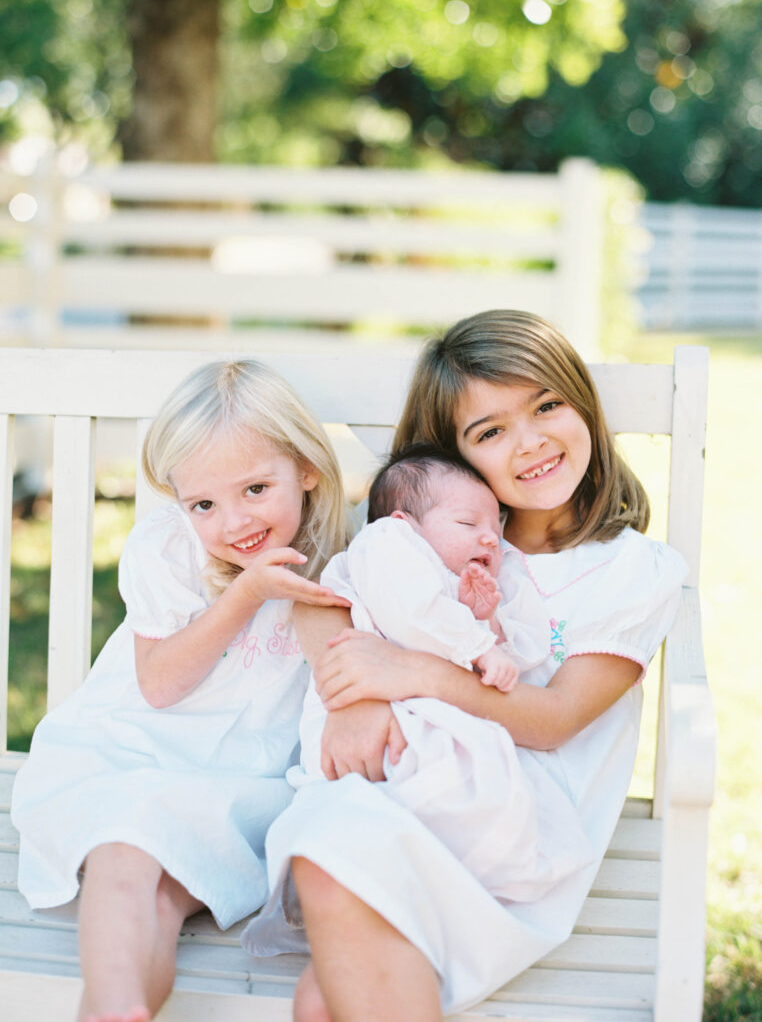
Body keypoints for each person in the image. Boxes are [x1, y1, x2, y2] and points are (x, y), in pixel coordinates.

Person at [240, 310, 689, 1022]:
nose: (532, 440)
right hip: (402, 796)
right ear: (453, 458)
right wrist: (357, 697)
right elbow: (324, 600)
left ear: (584, 405)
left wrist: (409, 674)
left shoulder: (631, 570)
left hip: (513, 846)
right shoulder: (441, 532)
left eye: (547, 405)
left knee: (328, 940)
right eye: (490, 431)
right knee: (322, 989)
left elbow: (554, 720)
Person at [10, 358, 351, 1022]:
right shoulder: (169, 549)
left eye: (255, 488)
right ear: (179, 501)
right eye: (204, 504)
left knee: (165, 890)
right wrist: (247, 594)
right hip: (132, 752)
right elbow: (160, 685)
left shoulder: (339, 552)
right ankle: (115, 1009)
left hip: (239, 784)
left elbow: (340, 678)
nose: (234, 523)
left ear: (306, 468)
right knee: (124, 847)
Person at [291, 444, 586, 904]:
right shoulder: (385, 548)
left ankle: (450, 870)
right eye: (469, 524)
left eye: (496, 528)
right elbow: (412, 614)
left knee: (474, 787)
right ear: (404, 525)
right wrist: (478, 645)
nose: (491, 539)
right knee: (416, 800)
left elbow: (500, 659)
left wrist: (485, 618)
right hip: (365, 724)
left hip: (422, 714)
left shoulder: (452, 584)